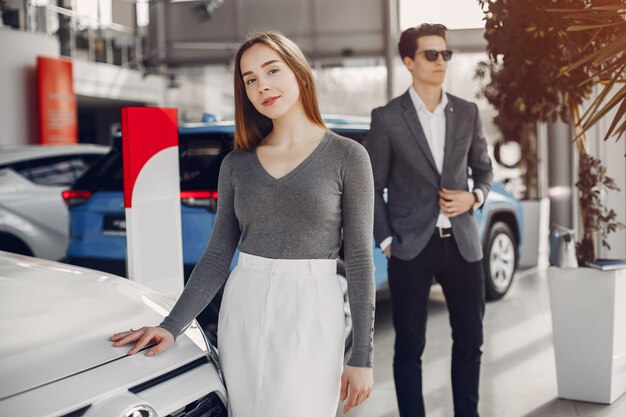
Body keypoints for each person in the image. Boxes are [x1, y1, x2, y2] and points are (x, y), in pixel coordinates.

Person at [109, 30, 375, 417]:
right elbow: (218, 255)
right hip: (244, 302)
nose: (262, 85)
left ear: (299, 72)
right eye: (250, 80)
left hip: (314, 306)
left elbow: (360, 260)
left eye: (272, 71)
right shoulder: (236, 164)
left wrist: (362, 356)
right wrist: (170, 326)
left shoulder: (348, 156)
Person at [365, 23, 493, 417]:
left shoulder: (467, 112)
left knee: (471, 340)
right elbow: (372, 186)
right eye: (431, 54)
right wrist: (387, 242)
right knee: (409, 347)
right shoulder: (387, 118)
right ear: (409, 61)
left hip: (463, 242)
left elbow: (484, 171)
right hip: (410, 246)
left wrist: (474, 197)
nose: (441, 62)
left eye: (445, 54)